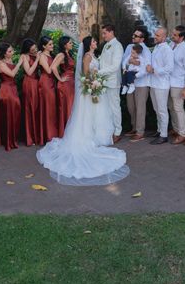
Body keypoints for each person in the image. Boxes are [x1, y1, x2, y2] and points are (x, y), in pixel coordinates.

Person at [37, 36, 130, 186]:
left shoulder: (94, 55)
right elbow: (85, 75)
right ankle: (88, 137)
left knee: (96, 115)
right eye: (93, 41)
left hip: (95, 86)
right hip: (89, 89)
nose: (95, 42)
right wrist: (93, 85)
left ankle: (96, 137)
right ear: (89, 44)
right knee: (86, 115)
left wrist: (97, 82)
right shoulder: (87, 56)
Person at [122, 26, 151, 143]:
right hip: (130, 83)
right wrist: (129, 64)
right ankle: (134, 127)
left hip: (141, 84)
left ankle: (140, 132)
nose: (133, 37)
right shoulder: (129, 47)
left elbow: (147, 67)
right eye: (133, 35)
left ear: (142, 39)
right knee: (131, 106)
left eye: (136, 36)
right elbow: (124, 62)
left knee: (140, 108)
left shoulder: (146, 51)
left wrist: (136, 73)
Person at [147, 27, 174, 144]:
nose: (155, 37)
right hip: (154, 83)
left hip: (162, 84)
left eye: (157, 35)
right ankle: (159, 130)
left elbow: (169, 68)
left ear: (164, 37)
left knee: (162, 110)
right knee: (156, 109)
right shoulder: (157, 47)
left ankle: (164, 135)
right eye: (155, 34)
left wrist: (154, 70)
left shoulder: (167, 50)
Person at [98, 24, 125, 142]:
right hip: (104, 81)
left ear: (111, 32)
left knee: (115, 107)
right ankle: (110, 129)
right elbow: (103, 62)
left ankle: (118, 131)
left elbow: (115, 66)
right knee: (107, 108)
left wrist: (99, 72)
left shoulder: (117, 46)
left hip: (113, 82)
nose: (103, 36)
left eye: (104, 33)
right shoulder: (106, 46)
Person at [168, 25, 185, 144]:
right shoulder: (171, 45)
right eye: (172, 34)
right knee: (171, 107)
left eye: (175, 35)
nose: (172, 36)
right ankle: (176, 129)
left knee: (178, 108)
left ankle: (183, 133)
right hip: (168, 82)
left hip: (179, 83)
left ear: (182, 37)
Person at [0, 43, 23, 150]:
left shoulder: (10, 61)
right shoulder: (1, 64)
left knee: (15, 112)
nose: (12, 53)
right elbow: (12, 74)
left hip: (13, 88)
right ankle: (8, 141)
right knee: (8, 113)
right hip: (6, 89)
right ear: (4, 53)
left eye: (12, 51)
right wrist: (19, 63)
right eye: (10, 51)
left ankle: (13, 138)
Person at [51, 36, 75, 136]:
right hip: (65, 84)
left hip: (71, 83)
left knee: (71, 106)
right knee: (67, 107)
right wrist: (60, 79)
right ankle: (66, 132)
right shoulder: (61, 55)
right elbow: (53, 67)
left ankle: (70, 130)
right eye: (70, 43)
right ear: (64, 44)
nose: (72, 44)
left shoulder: (69, 54)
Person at [37, 36, 58, 145]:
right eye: (49, 44)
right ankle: (48, 134)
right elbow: (49, 70)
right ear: (44, 46)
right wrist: (57, 61)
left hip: (52, 82)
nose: (52, 46)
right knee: (48, 107)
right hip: (45, 83)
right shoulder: (42, 56)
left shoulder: (50, 55)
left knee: (52, 108)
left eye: (52, 43)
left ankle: (53, 132)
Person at [20, 39, 41, 147]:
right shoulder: (24, 56)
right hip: (29, 83)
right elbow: (29, 72)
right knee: (30, 108)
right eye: (33, 48)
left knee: (37, 108)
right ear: (28, 48)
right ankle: (30, 137)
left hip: (37, 83)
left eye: (35, 48)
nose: (35, 50)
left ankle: (37, 135)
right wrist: (37, 59)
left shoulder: (36, 55)